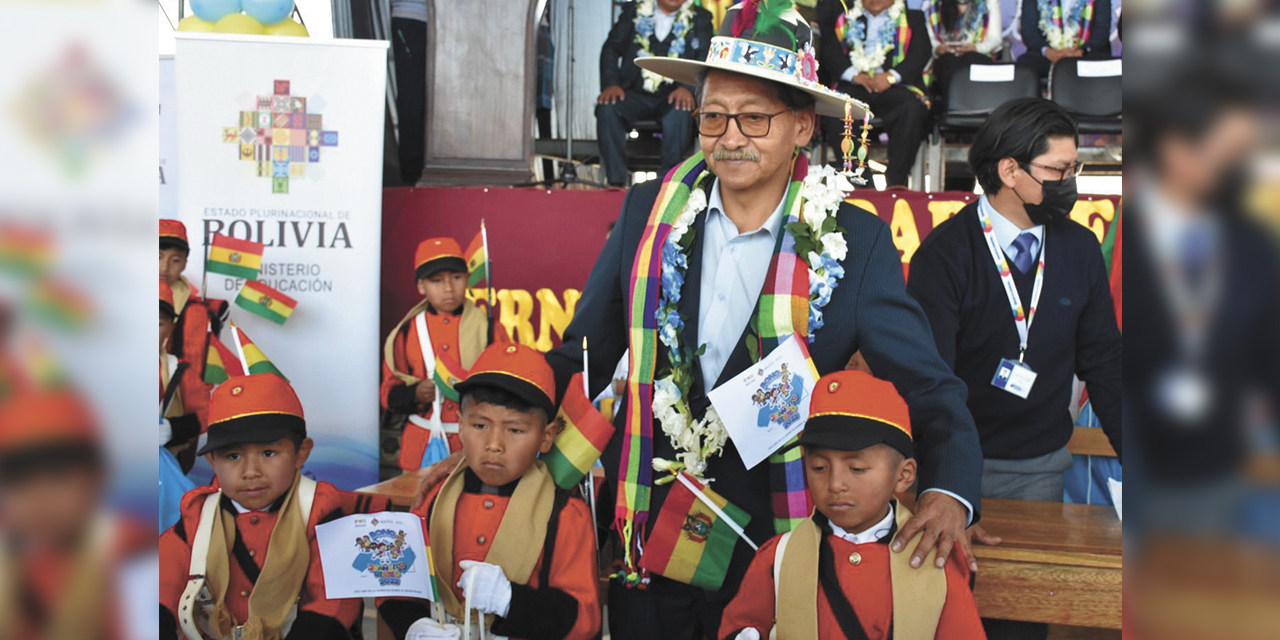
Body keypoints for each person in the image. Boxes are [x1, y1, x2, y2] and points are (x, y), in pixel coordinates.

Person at [403, 3, 977, 638]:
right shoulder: (650, 210)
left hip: (771, 535)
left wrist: (950, 492)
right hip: (646, 522)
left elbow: (928, 388)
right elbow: (584, 348)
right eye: (713, 115)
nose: (731, 137)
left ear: (803, 129)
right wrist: (487, 442)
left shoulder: (855, 239)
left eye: (755, 118)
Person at [906, 97, 1121, 640]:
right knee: (946, 618)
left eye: (1075, 169)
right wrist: (952, 489)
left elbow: (1106, 365)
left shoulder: (1079, 249)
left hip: (1040, 470)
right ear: (1009, 170)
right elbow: (931, 383)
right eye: (1057, 170)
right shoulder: (945, 255)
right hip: (958, 469)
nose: (1070, 182)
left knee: (1018, 624)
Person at [719, 370, 985, 639]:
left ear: (903, 476)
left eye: (856, 469)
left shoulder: (935, 560)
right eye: (819, 467)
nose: (835, 484)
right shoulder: (779, 557)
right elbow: (741, 624)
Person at [378, 343, 600, 640]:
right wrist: (412, 626)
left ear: (546, 437)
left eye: (515, 430)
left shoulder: (564, 514)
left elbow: (584, 618)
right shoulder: (434, 499)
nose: (494, 444)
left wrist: (511, 601)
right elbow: (395, 582)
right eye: (480, 425)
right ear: (459, 424)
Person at [159, 373, 361, 640]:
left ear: (301, 453)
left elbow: (335, 599)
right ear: (212, 462)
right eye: (233, 456)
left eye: (268, 453)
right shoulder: (197, 515)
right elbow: (161, 583)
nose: (251, 471)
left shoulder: (321, 511)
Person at [0, 386, 151, 639]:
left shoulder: (136, 561)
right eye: (20, 481)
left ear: (96, 478)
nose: (41, 499)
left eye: (59, 477)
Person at [381, 237, 505, 471]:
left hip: (474, 447)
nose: (448, 288)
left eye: (456, 278)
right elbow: (388, 394)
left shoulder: (489, 328)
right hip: (420, 445)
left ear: (467, 279)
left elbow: (506, 386)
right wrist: (415, 393)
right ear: (420, 286)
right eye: (436, 281)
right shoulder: (406, 332)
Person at [597, 0, 714, 186]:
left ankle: (665, 184)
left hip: (673, 95)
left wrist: (687, 87)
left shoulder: (700, 17)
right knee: (607, 108)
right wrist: (611, 84)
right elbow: (611, 48)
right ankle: (615, 182)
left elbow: (705, 58)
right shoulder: (633, 11)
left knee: (681, 110)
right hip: (634, 93)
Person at [817, 0, 931, 188]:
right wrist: (854, 75)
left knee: (912, 110)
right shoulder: (843, 19)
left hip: (896, 86)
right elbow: (829, 52)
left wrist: (890, 77)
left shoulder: (913, 18)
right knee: (838, 109)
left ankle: (895, 183)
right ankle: (860, 183)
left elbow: (921, 53)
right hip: (855, 84)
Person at [160, 219, 228, 379]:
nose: (164, 267)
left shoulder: (195, 311)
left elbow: (194, 374)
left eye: (175, 260)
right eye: (158, 257)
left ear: (184, 263)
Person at [161, 280, 209, 474]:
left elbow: (204, 415)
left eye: (157, 323)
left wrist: (172, 429)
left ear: (169, 329)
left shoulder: (179, 370)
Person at [921, 0, 1003, 100]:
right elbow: (927, 39)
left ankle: (974, 104)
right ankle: (953, 106)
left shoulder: (989, 3)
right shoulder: (934, 5)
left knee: (971, 58)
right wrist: (938, 48)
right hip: (945, 58)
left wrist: (976, 48)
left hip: (979, 54)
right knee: (948, 61)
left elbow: (995, 39)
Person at [1016, 0, 1113, 79]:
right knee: (1025, 65)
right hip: (1047, 56)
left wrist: (1080, 52)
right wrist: (1049, 52)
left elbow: (1101, 32)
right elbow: (1029, 32)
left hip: (1086, 54)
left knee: (1104, 63)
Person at [391, 0, 428, 184]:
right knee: (412, 101)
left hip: (447, 23)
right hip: (410, 18)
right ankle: (411, 176)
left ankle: (427, 168)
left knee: (432, 102)